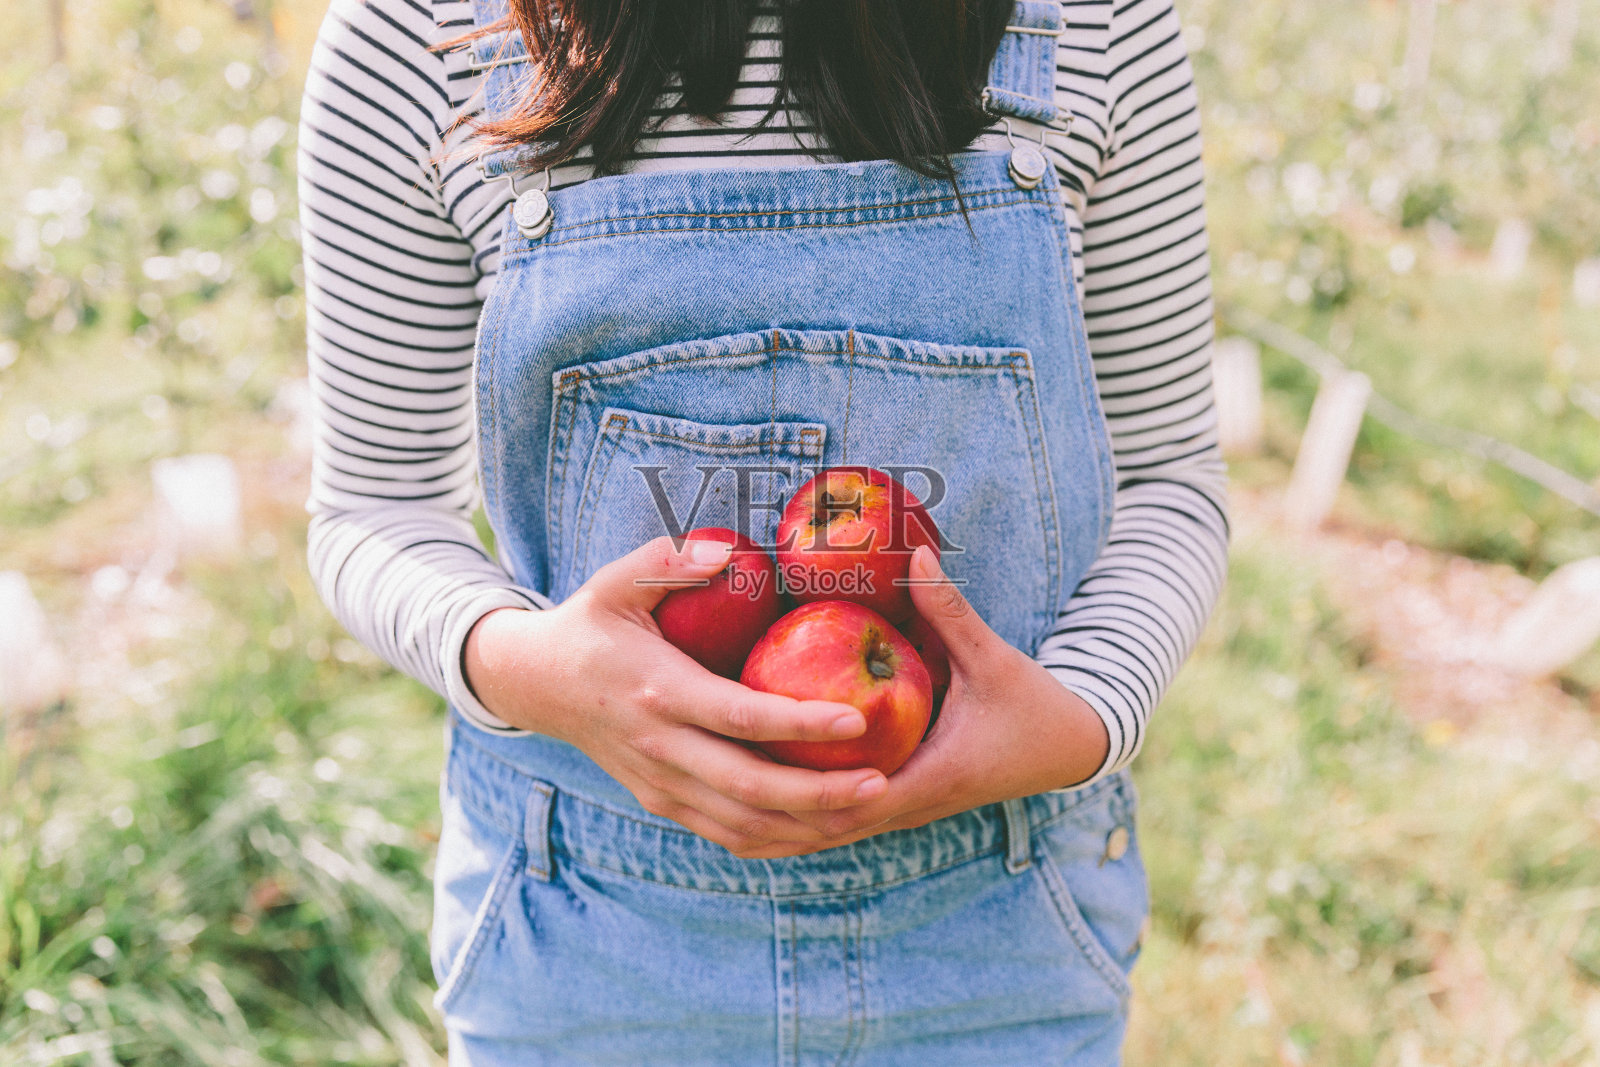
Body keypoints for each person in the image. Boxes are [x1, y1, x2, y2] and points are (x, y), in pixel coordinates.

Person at [297, 0, 1228, 1061]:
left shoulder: (1098, 25)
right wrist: (520, 662)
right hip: (592, 944)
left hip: (996, 937)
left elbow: (1169, 477)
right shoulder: (419, 33)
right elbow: (375, 509)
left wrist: (1085, 714)